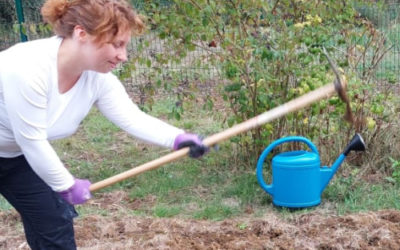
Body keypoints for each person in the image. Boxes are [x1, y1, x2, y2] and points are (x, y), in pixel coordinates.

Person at [0, 0, 208, 249]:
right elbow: (31, 139)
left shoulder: (97, 78)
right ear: (81, 34)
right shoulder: (27, 67)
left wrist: (177, 138)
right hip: (25, 148)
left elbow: (132, 117)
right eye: (117, 44)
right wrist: (65, 184)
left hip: (15, 157)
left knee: (54, 221)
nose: (123, 56)